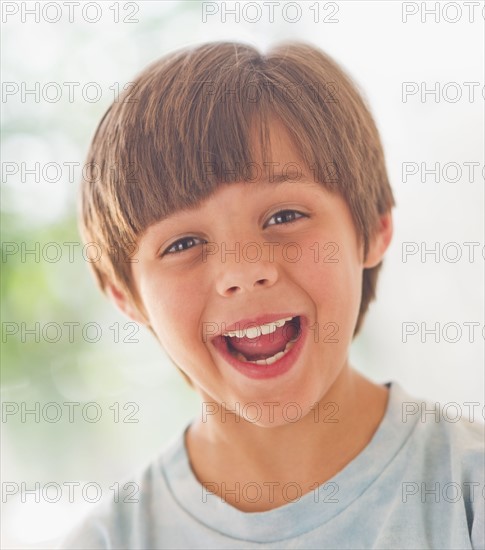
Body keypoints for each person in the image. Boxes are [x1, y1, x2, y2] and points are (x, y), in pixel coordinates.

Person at [60, 41, 484, 549]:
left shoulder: (467, 492)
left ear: (372, 227)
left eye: (284, 217)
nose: (243, 271)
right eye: (183, 243)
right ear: (125, 296)